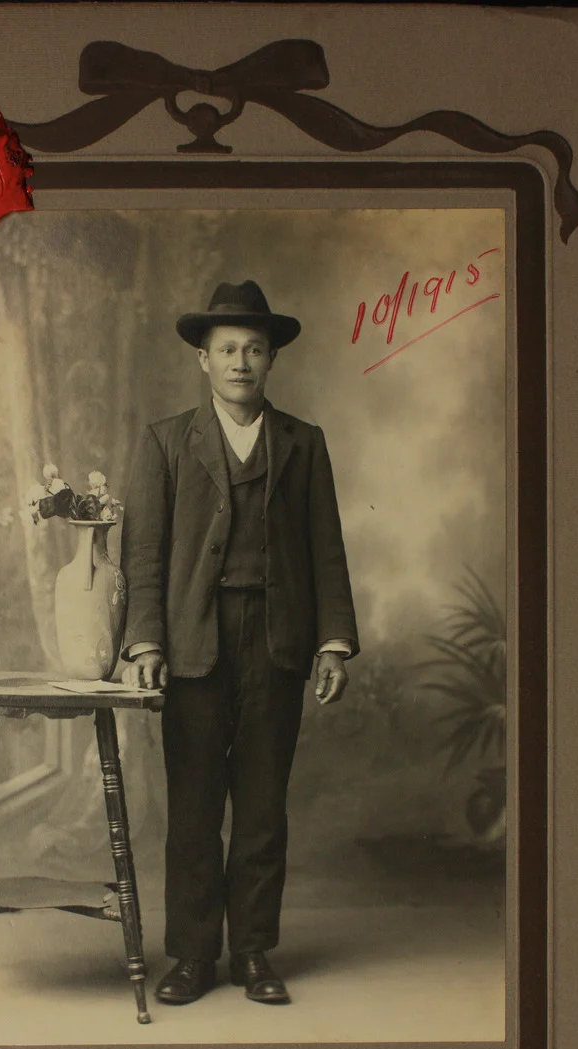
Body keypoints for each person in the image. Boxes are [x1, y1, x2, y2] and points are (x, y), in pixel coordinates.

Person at [121, 280, 358, 1006]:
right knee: (194, 808)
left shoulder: (302, 443)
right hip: (193, 642)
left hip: (278, 643)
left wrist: (334, 642)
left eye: (254, 348)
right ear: (202, 359)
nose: (240, 362)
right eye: (227, 349)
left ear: (272, 358)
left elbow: (326, 551)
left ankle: (253, 952)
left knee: (261, 806)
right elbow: (145, 553)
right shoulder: (166, 441)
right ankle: (193, 955)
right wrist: (145, 642)